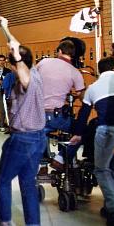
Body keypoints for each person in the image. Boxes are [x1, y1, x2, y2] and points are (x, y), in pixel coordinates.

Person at [0, 16, 46, 226]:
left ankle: (4, 221)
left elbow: (23, 74)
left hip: (23, 139)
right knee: (27, 183)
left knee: (4, 180)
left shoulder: (27, 78)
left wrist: (15, 59)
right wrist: (5, 28)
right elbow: (21, 54)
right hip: (38, 138)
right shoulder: (35, 71)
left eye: (13, 64)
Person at [69, 57, 114, 225]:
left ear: (99, 71)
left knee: (101, 169)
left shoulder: (93, 88)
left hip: (107, 131)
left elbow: (84, 114)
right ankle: (111, 205)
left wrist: (78, 134)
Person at [36, 39, 85, 169]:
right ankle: (61, 158)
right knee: (82, 132)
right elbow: (82, 95)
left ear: (59, 51)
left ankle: (43, 166)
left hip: (38, 115)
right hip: (58, 118)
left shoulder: (43, 62)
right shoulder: (75, 72)